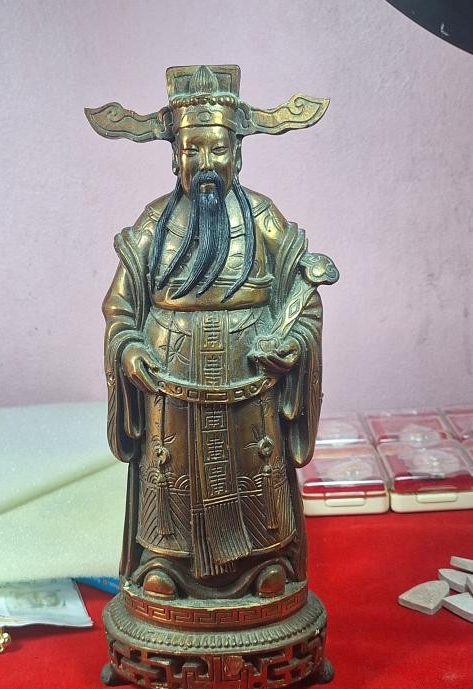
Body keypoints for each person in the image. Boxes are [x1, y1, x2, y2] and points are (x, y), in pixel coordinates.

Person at [87, 65, 338, 601]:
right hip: (171, 391)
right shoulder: (154, 224)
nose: (205, 163)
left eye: (218, 150)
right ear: (175, 157)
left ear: (237, 155)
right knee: (172, 476)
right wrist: (129, 352)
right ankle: (165, 565)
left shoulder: (263, 219)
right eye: (192, 150)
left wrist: (294, 344)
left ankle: (265, 563)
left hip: (249, 389)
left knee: (254, 473)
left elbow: (305, 297)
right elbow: (120, 308)